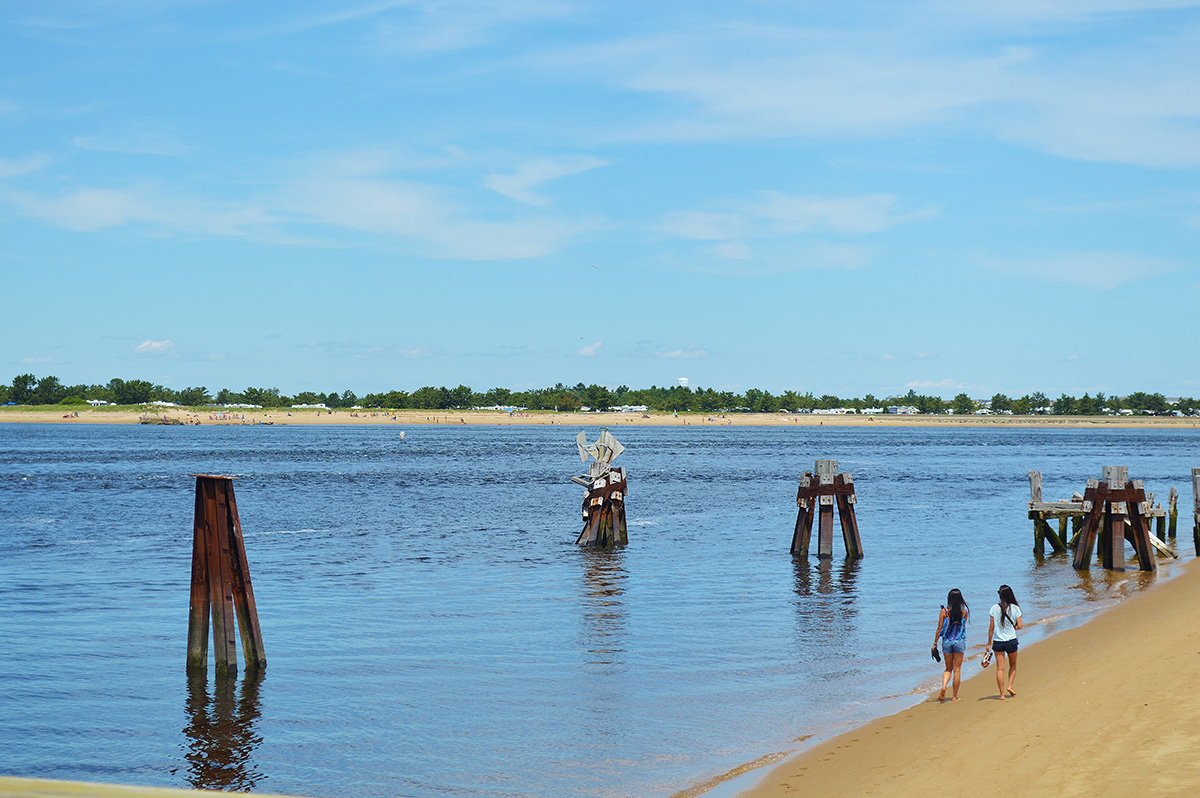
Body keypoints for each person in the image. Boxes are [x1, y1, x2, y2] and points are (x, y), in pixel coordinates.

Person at [985, 584, 1023, 699]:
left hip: (998, 642)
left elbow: (991, 628)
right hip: (1011, 640)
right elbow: (1020, 626)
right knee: (1013, 665)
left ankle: (1001, 694)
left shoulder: (993, 608)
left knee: (1000, 668)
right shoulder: (1015, 608)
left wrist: (988, 643)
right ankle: (1010, 686)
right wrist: (1013, 628)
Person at [934, 588, 969, 702]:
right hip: (959, 641)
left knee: (948, 668)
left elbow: (939, 629)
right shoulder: (964, 612)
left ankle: (944, 686)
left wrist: (935, 643)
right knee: (957, 670)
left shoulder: (944, 611)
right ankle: (954, 697)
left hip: (947, 642)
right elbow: (962, 627)